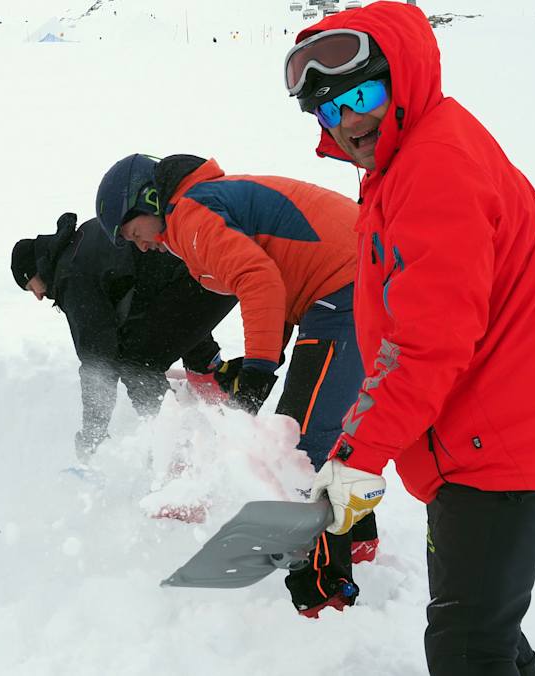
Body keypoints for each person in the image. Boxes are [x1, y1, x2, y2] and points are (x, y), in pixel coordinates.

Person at [284, 3, 535, 673]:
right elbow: (400, 325)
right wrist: (355, 452)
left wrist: (361, 454)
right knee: (486, 635)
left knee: (466, 647)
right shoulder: (399, 165)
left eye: (360, 96)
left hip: (496, 446)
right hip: (478, 441)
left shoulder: (434, 168)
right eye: (329, 113)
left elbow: (427, 339)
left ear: (403, 77)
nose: (350, 122)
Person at [95, 152, 375, 616]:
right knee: (321, 424)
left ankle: (324, 586)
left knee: (300, 445)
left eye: (134, 234)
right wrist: (256, 362)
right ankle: (360, 540)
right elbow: (281, 277)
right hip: (345, 285)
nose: (141, 246)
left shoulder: (187, 214)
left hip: (348, 286)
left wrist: (260, 371)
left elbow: (260, 281)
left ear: (148, 201)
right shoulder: (202, 206)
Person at [10, 212, 237, 460]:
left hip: (205, 276)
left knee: (135, 363)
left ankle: (174, 446)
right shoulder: (81, 241)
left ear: (35, 270)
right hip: (213, 262)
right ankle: (216, 386)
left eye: (31, 287)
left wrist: (91, 437)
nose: (38, 296)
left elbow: (98, 364)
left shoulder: (71, 274)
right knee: (146, 326)